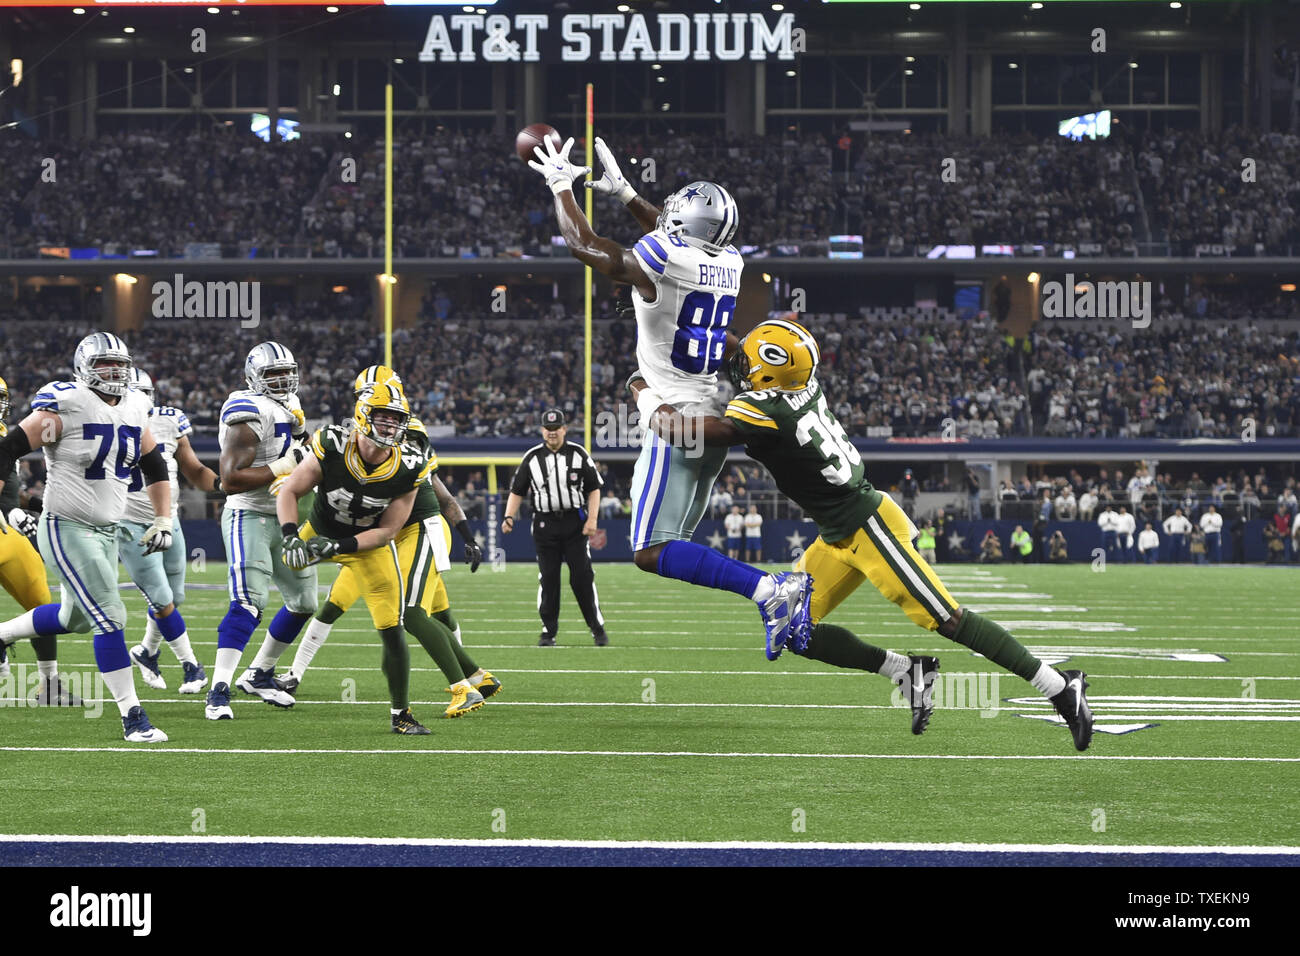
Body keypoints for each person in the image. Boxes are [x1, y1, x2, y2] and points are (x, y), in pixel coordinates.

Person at [637, 318, 1095, 750]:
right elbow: (741, 351)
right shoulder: (799, 384)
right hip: (837, 532)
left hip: (868, 525)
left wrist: (642, 391)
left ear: (770, 375)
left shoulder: (767, 410)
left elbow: (678, 431)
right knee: (795, 630)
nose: (742, 368)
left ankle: (1058, 686)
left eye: (753, 366)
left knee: (946, 618)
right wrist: (675, 321)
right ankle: (906, 671)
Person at [530, 131, 811, 655]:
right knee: (667, 545)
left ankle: (771, 590)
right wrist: (628, 196)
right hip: (709, 408)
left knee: (651, 551)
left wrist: (560, 187)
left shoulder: (668, 255)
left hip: (675, 415)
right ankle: (771, 591)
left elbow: (587, 247)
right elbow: (679, 245)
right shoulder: (730, 262)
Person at [263, 367, 498, 713]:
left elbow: (438, 495)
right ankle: (476, 677)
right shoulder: (344, 439)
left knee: (413, 614)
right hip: (376, 535)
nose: (388, 424)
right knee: (419, 610)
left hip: (416, 528)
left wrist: (465, 533)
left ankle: (463, 685)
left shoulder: (407, 441)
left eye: (393, 414)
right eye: (374, 404)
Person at [0, 333, 175, 741]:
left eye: (119, 363)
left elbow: (154, 465)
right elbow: (8, 448)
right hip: (67, 527)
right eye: (103, 364)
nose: (114, 371)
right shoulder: (67, 403)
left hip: (107, 531)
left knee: (73, 618)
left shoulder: (136, 405)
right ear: (83, 367)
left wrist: (164, 519)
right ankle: (133, 717)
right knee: (111, 615)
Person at [205, 342, 315, 720]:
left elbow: (298, 453)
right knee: (248, 603)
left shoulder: (289, 403)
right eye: (273, 374)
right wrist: (283, 465)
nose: (283, 380)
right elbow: (230, 480)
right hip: (249, 515)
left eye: (287, 372)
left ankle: (260, 673)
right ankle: (218, 689)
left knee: (304, 603)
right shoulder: (246, 408)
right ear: (254, 378)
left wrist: (303, 448)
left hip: (286, 517)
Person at [120, 369, 215, 696]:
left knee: (174, 598)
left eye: (143, 394)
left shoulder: (169, 420)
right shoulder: (105, 422)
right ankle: (192, 665)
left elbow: (194, 469)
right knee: (161, 599)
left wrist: (226, 484)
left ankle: (146, 652)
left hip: (168, 519)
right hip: (129, 523)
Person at [502, 408, 608, 647]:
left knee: (581, 577)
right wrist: (509, 516)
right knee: (548, 579)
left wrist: (592, 520)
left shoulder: (579, 454)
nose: (552, 433)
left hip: (574, 524)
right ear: (542, 430)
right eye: (548, 429)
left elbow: (594, 488)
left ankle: (596, 627)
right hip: (544, 523)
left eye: (556, 428)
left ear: (564, 429)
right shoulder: (531, 457)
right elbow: (517, 490)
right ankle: (548, 632)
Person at [0, 374, 66, 692]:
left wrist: (35, 506)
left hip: (8, 536)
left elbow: (14, 492)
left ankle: (49, 685)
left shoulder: (7, 437)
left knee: (41, 604)